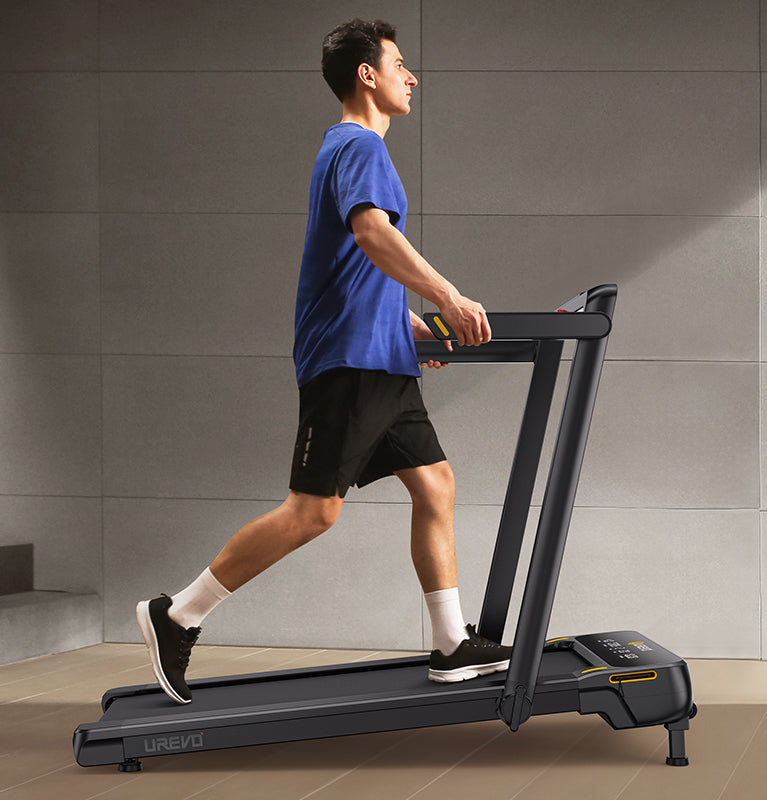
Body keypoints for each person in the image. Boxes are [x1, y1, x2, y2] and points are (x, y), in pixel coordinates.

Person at [136, 18, 511, 705]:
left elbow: (357, 276)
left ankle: (452, 642)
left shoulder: (349, 150)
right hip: (347, 362)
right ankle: (178, 614)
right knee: (314, 512)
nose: (411, 75)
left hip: (378, 358)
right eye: (399, 63)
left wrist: (409, 334)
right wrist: (450, 297)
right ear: (366, 74)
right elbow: (371, 236)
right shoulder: (359, 145)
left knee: (436, 485)